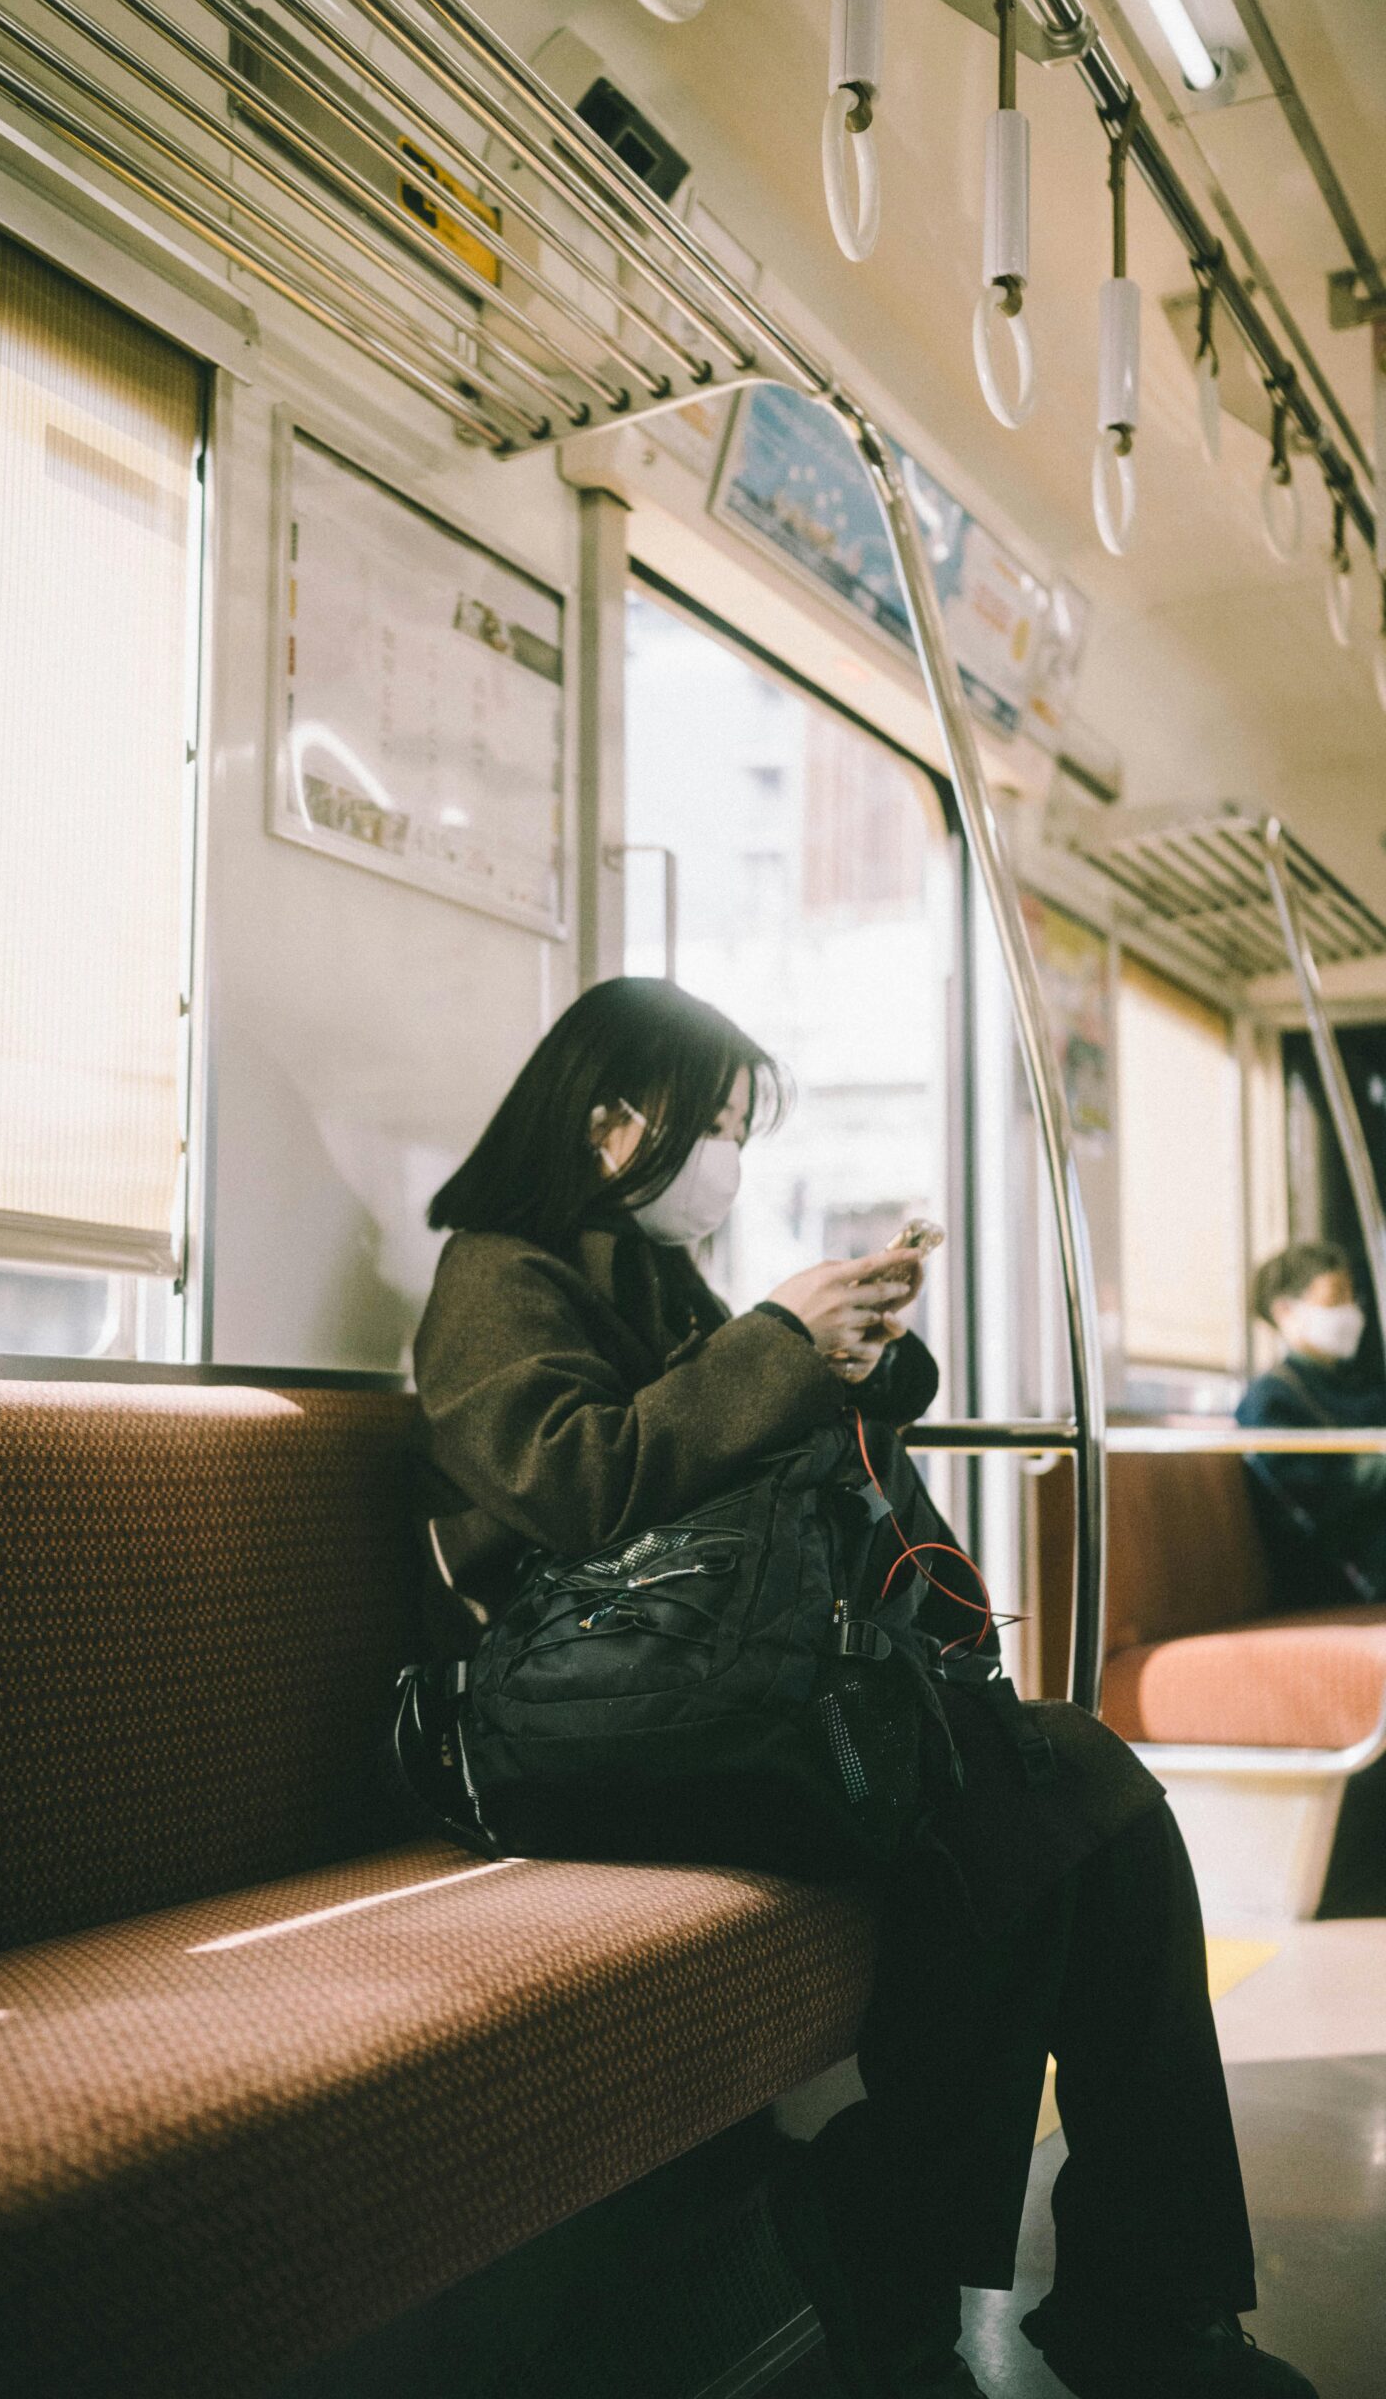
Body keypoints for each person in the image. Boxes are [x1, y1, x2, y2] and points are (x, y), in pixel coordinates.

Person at [412, 978, 1314, 2399]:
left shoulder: (638, 1275)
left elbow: (730, 1447)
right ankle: (990, 2268)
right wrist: (777, 1340)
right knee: (1033, 1804)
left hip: (701, 1699)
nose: (727, 1162)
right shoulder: (495, 1280)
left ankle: (1125, 2290)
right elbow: (577, 1484)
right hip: (588, 1731)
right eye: (711, 1126)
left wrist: (848, 1357)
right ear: (604, 1127)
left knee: (1096, 1805)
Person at [1236, 1241, 1386, 1610]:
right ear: (1285, 1310)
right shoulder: (1272, 1401)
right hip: (1332, 1578)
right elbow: (1318, 1496)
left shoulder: (1360, 1389)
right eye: (1335, 1298)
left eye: (1352, 1298)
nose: (1350, 1312)